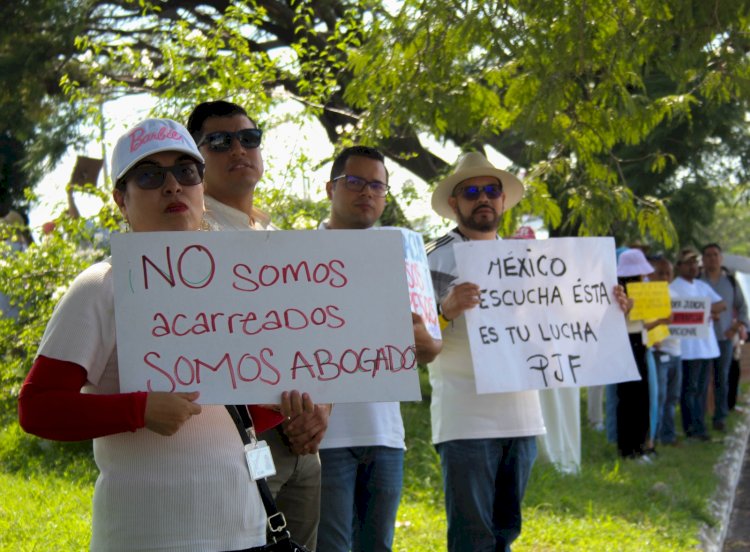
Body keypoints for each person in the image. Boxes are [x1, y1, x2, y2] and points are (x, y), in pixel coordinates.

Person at [18, 118, 267, 550]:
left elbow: (238, 415)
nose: (172, 186)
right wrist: (138, 410)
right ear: (121, 199)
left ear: (201, 190)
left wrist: (287, 408)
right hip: (147, 535)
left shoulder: (239, 284)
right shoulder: (102, 285)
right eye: (150, 175)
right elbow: (37, 409)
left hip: (245, 530)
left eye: (186, 172)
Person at [186, 100, 327, 549]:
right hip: (238, 443)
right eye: (220, 142)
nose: (238, 149)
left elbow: (319, 338)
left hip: (304, 442)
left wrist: (322, 410)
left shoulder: (275, 238)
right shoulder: (188, 243)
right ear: (196, 158)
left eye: (249, 138)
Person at [315, 146, 441, 552]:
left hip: (386, 436)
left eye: (376, 185)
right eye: (354, 182)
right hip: (324, 438)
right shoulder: (297, 258)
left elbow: (430, 346)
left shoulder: (404, 253)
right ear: (330, 188)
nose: (366, 192)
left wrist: (422, 339)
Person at [425, 151, 544, 551]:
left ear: (503, 200)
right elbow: (411, 338)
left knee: (506, 533)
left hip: (523, 416)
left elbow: (563, 321)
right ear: (455, 204)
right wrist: (445, 310)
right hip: (466, 421)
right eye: (471, 191)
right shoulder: (433, 257)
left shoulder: (529, 261)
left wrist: (612, 307)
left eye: (491, 190)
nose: (483, 198)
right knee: (472, 538)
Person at [671, 248, 726, 441]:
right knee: (689, 389)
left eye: (695, 263)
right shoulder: (673, 287)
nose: (693, 267)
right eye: (688, 263)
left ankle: (700, 426)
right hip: (688, 348)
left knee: (702, 390)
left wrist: (703, 309)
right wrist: (703, 311)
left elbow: (722, 305)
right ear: (679, 267)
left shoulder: (702, 286)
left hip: (706, 346)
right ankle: (691, 428)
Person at [699, 243, 749, 432]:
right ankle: (699, 417)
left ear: (721, 258)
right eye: (708, 255)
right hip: (701, 339)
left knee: (722, 378)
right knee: (702, 380)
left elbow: (743, 309)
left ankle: (720, 416)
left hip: (723, 338)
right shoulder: (698, 281)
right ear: (703, 259)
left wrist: (735, 327)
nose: (712, 258)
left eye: (715, 255)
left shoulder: (730, 282)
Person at [648, 256, 682, 445]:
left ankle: (668, 436)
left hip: (676, 351)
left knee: (672, 397)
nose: (664, 277)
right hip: (659, 352)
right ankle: (655, 435)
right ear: (653, 274)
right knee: (659, 397)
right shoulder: (647, 296)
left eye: (668, 273)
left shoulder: (676, 295)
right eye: (660, 273)